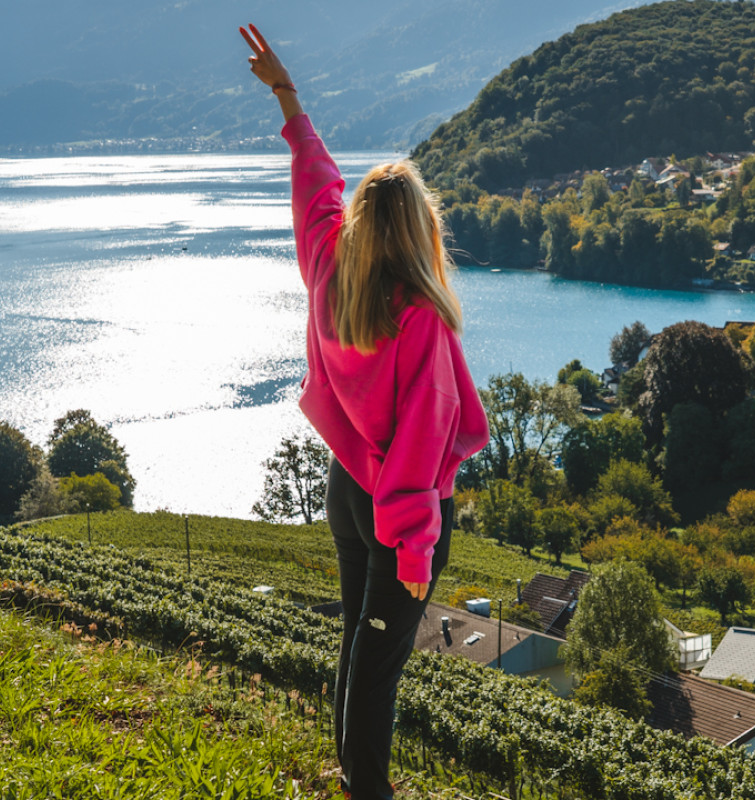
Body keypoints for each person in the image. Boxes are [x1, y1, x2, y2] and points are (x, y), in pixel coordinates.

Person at [240, 24, 489, 799]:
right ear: (420, 231)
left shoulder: (329, 274)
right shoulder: (420, 317)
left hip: (348, 492)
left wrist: (290, 101)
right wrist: (415, 549)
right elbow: (419, 444)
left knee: (358, 647)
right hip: (398, 516)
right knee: (378, 668)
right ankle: (366, 791)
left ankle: (350, 776)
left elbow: (315, 188)